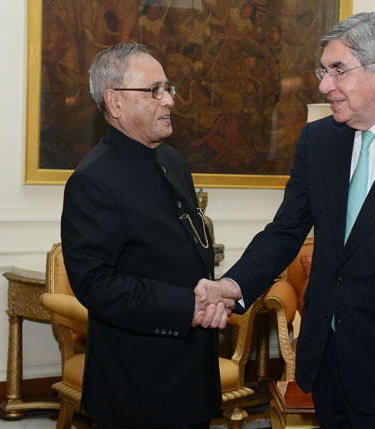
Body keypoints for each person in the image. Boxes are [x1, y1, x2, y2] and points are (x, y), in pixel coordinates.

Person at [196, 12, 375, 429]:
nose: (323, 85)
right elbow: (285, 230)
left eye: (338, 70)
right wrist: (232, 285)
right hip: (326, 357)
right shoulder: (318, 141)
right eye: (324, 70)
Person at [61, 42, 239, 429]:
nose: (170, 100)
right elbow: (95, 283)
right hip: (138, 383)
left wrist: (210, 294)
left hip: (193, 368)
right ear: (115, 102)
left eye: (168, 88)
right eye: (154, 90)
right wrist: (185, 306)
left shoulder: (173, 161)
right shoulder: (92, 180)